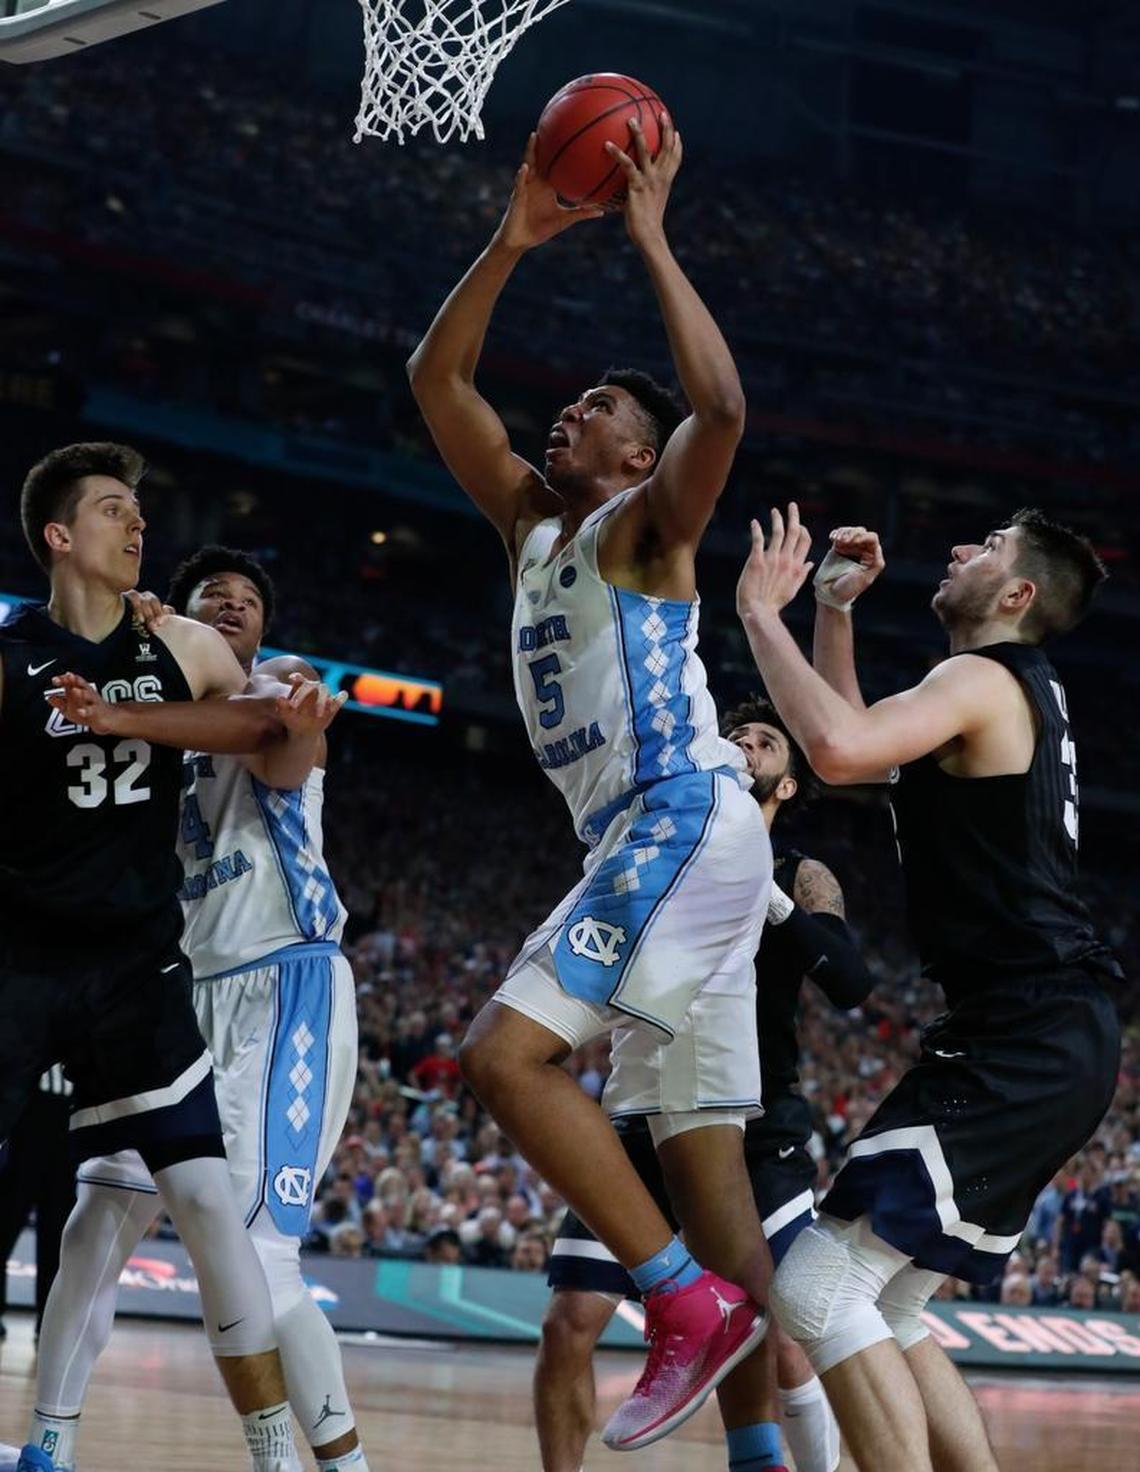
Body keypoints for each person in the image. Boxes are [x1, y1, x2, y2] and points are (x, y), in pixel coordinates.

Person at [408, 118, 772, 1449]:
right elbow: (437, 380)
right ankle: (771, 1434)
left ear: (641, 459)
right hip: (654, 843)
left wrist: (652, 241)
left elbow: (721, 412)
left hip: (680, 813)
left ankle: (677, 1303)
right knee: (705, 1169)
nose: (573, 410)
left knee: (509, 1061)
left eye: (604, 411)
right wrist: (511, 239)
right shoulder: (529, 525)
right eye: (576, 402)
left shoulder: (648, 528)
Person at [735, 504, 1124, 1472]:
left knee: (818, 1292)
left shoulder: (981, 676)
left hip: (1026, 1029)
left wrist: (759, 612)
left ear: (1016, 593)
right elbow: (862, 736)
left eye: (986, 547)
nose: (959, 549)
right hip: (1042, 1030)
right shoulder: (1003, 687)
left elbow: (835, 751)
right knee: (893, 1303)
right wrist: (834, 613)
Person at [0, 444, 342, 1472]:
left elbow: (278, 731)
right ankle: (48, 1442)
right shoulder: (33, 650)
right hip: (91, 969)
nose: (137, 522)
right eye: (116, 510)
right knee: (99, 1212)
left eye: (247, 598)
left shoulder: (235, 670)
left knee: (231, 1221)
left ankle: (303, 1453)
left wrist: (120, 710)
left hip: (222, 977)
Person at [535, 698, 872, 1472]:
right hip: (642, 1104)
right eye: (736, 736)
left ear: (788, 786)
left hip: (755, 1116)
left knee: (783, 1326)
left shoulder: (802, 874)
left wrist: (769, 889)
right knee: (568, 1322)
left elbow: (850, 982)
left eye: (764, 742)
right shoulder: (664, 843)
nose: (745, 746)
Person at [0, 1069, 75, 1341]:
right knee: (5, 1221)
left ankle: (49, 1321)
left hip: (71, 1117)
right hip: (29, 1111)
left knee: (58, 1234)